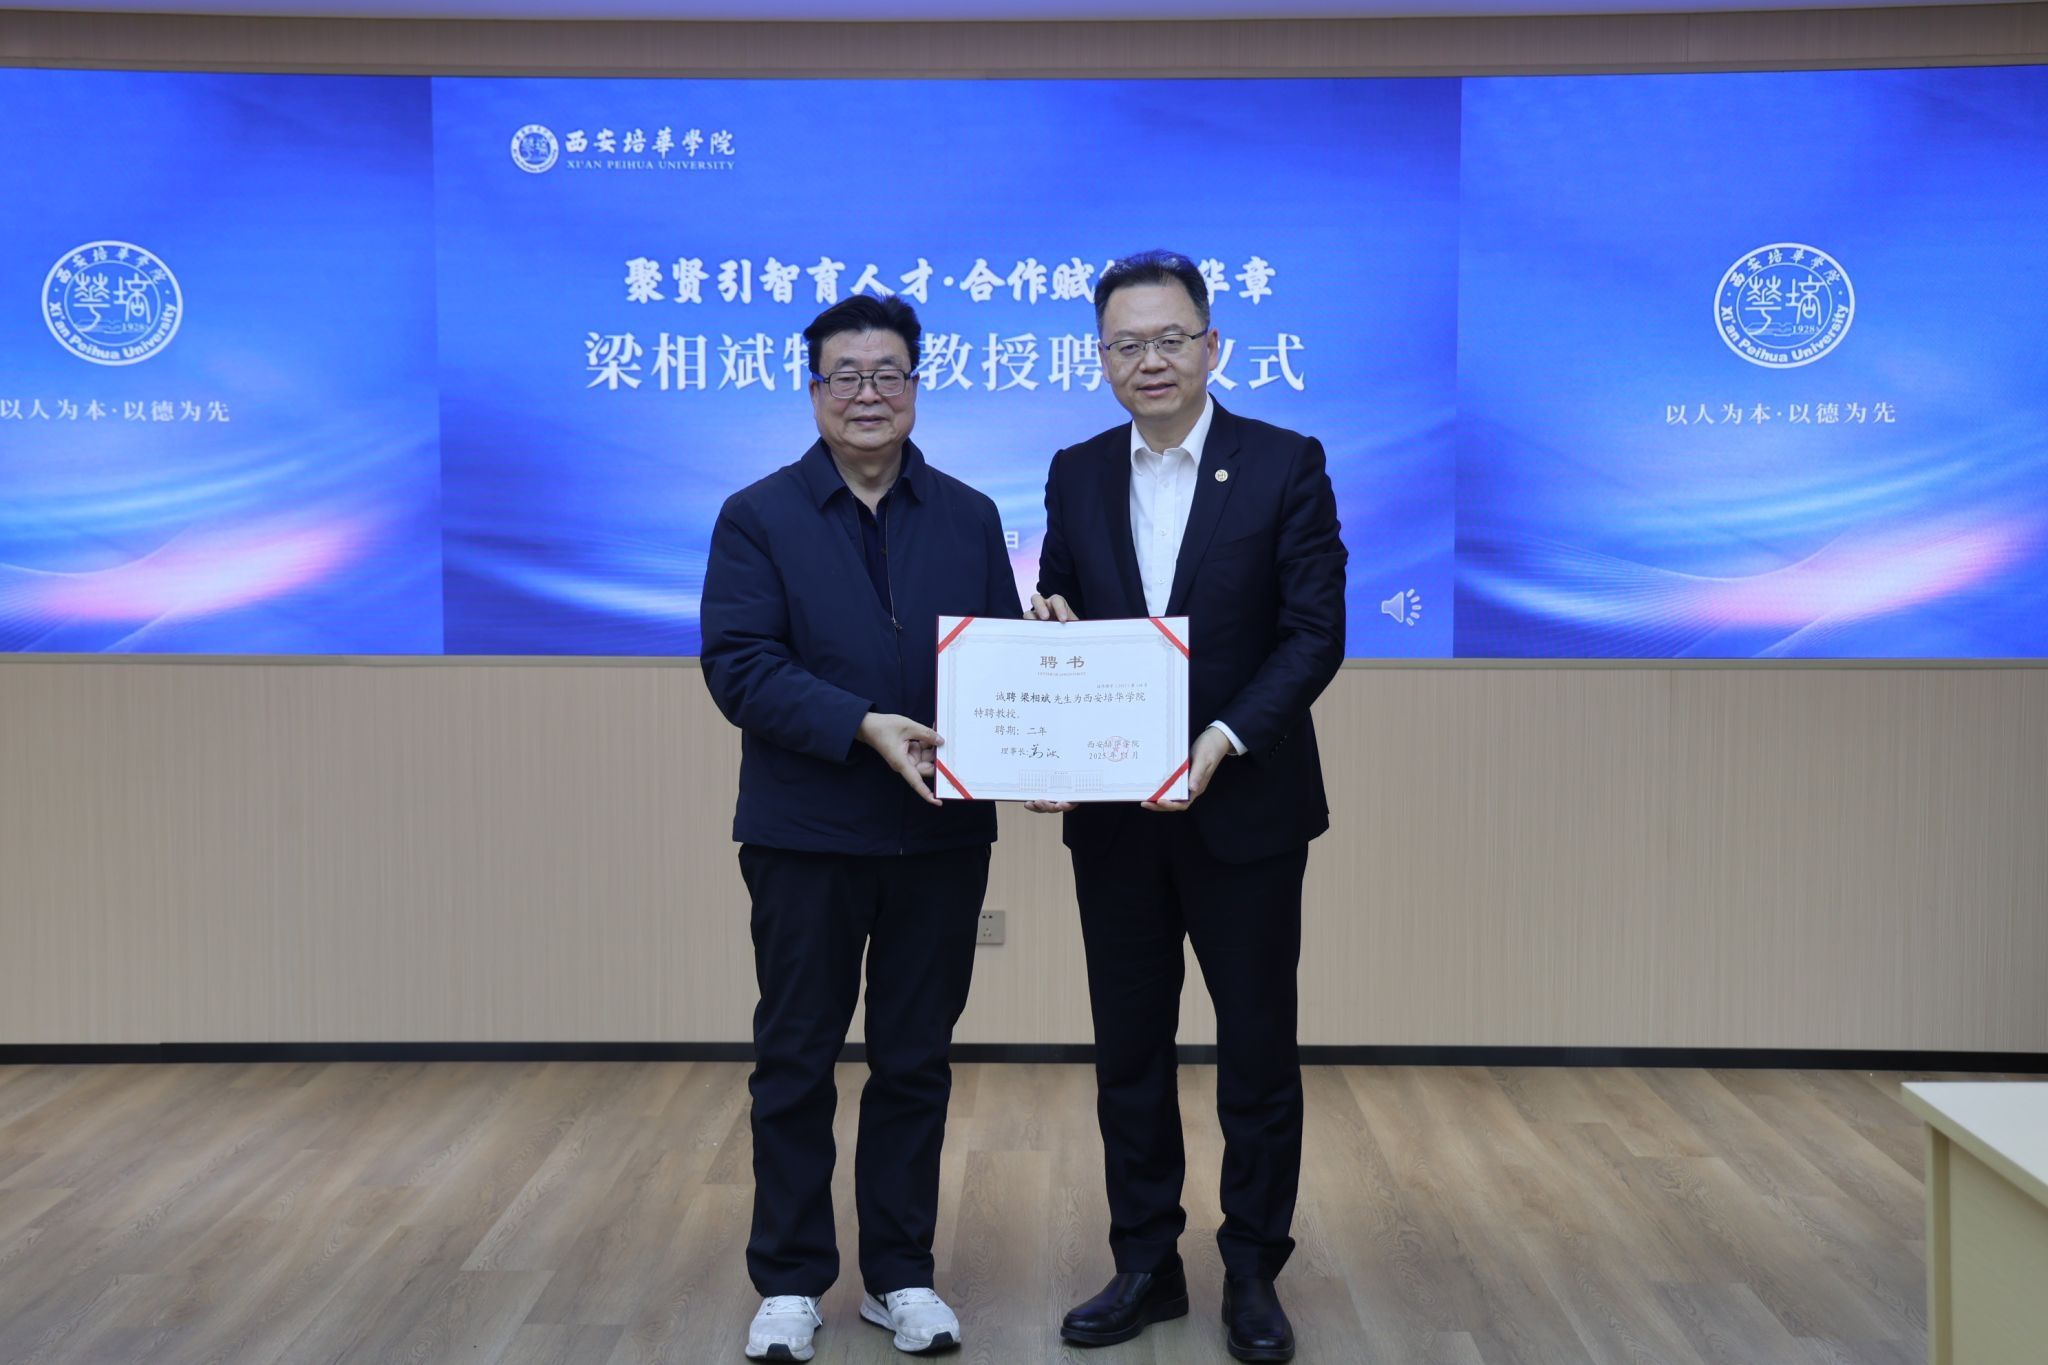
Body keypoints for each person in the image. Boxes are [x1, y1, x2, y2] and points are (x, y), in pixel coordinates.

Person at [1028, 250, 1346, 1363]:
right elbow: (1061, 607)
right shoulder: (1074, 471)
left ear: (1213, 346)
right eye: (1127, 344)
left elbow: (1313, 633)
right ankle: (1145, 1263)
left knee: (1255, 1048)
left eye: (1170, 339)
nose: (1150, 360)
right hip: (1116, 816)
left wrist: (1220, 740)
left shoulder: (1285, 462)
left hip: (1242, 806)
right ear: (1101, 357)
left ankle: (1252, 1270)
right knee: (1129, 1049)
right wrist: (1047, 667)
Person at [700, 294, 1021, 1362]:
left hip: (940, 838)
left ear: (916, 387)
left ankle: (899, 1274)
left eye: (888, 374)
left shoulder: (969, 514)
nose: (868, 394)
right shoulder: (758, 515)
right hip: (805, 835)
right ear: (814, 391)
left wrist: (1046, 738)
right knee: (795, 1060)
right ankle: (790, 1280)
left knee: (914, 1061)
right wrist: (860, 724)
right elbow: (740, 667)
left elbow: (1000, 665)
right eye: (846, 375)